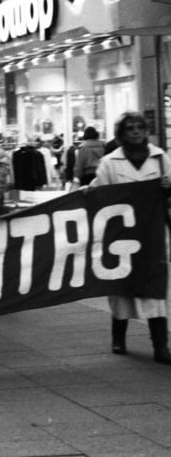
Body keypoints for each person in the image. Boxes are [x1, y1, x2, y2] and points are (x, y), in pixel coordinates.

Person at [89, 112, 171, 365]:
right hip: (122, 235)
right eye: (130, 128)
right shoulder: (110, 163)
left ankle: (160, 345)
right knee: (121, 286)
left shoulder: (160, 159)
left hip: (153, 234)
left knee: (156, 287)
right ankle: (118, 336)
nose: (136, 132)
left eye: (140, 127)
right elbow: (100, 194)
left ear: (146, 131)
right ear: (122, 134)